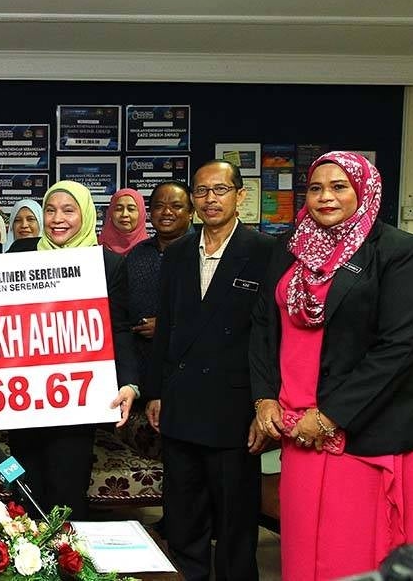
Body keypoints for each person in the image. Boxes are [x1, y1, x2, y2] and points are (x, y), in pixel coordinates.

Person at [250, 151, 413, 580]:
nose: (325, 197)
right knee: (303, 552)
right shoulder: (290, 248)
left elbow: (399, 346)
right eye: (316, 188)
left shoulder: (396, 251)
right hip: (297, 429)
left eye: (339, 187)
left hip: (359, 431)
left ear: (363, 191)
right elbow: (265, 326)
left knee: (353, 552)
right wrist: (264, 396)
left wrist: (329, 417)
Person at [145, 160, 273, 581]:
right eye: (201, 191)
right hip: (181, 405)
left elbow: (271, 338)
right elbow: (165, 328)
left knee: (236, 522)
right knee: (183, 515)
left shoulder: (265, 252)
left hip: (235, 410)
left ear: (240, 196)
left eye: (220, 190)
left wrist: (264, 404)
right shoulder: (179, 251)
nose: (210, 199)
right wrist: (156, 392)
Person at [7, 180, 139, 519]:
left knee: (67, 492)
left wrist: (129, 383)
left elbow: (119, 329)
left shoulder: (108, 264)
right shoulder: (21, 252)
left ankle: (66, 564)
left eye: (68, 210)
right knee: (24, 490)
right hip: (25, 398)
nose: (57, 218)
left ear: (87, 214)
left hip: (76, 399)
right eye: (50, 210)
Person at [125, 181, 194, 378]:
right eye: (158, 206)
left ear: (191, 212)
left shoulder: (202, 253)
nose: (166, 212)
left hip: (185, 369)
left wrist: (166, 326)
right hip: (139, 368)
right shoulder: (137, 253)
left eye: (176, 206)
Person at [98, 188, 148, 255]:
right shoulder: (97, 249)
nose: (124, 214)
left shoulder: (149, 250)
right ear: (111, 213)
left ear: (141, 214)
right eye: (119, 209)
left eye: (131, 209)